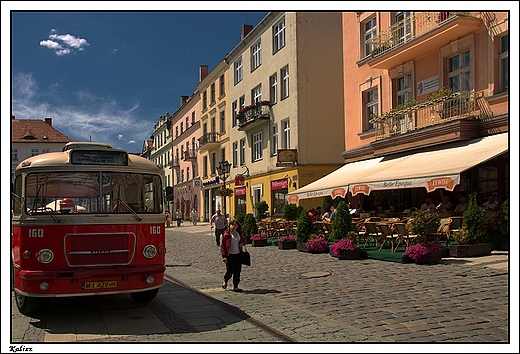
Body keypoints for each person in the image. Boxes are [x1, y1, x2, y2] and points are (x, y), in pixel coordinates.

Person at [220, 219, 246, 292]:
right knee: (230, 270)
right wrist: (224, 256)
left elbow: (244, 240)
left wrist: (242, 243)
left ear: (237, 226)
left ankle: (236, 286)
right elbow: (223, 246)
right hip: (229, 255)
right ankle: (225, 281)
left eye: (234, 225)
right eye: (231, 225)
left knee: (238, 271)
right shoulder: (226, 234)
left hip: (238, 255)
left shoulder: (239, 234)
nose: (232, 226)